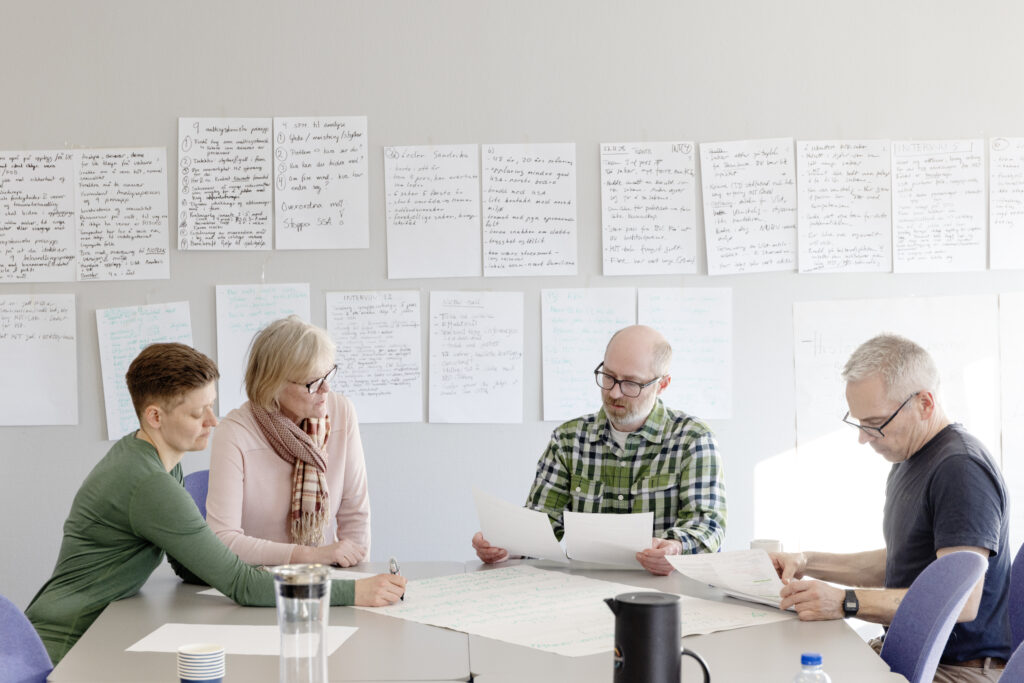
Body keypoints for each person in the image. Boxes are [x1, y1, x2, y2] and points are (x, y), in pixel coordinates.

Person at [25, 343, 404, 664]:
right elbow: (239, 582)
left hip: (95, 629)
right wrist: (354, 592)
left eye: (212, 406)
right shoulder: (150, 483)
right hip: (67, 645)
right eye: (197, 412)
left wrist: (231, 566)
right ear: (155, 416)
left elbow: (190, 564)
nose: (213, 421)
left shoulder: (150, 458)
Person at [773, 334, 1010, 681]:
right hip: (912, 650)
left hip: (959, 669)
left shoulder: (961, 469)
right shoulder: (912, 457)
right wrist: (808, 562)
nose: (864, 438)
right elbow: (901, 560)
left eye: (875, 423)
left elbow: (961, 600)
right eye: (859, 423)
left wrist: (846, 602)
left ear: (925, 404)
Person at [472, 325, 726, 575]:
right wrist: (506, 546)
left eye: (631, 383)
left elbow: (708, 525)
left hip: (667, 591)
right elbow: (541, 524)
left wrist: (676, 547)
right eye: (608, 376)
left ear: (662, 385)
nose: (614, 392)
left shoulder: (693, 439)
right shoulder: (568, 440)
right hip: (582, 590)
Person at [208, 316, 370, 567]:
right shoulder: (233, 434)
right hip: (257, 583)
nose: (325, 389)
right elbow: (221, 541)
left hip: (325, 580)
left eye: (328, 374)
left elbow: (355, 517)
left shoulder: (341, 412)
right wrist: (310, 555)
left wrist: (357, 586)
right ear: (272, 384)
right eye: (312, 383)